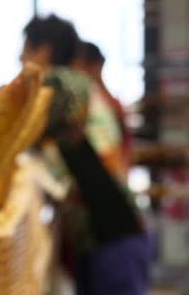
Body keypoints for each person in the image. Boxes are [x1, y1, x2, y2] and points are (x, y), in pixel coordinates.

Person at [22, 15, 149, 295]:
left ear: (43, 50)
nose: (20, 57)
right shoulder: (79, 84)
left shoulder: (61, 83)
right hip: (109, 231)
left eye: (26, 49)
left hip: (111, 231)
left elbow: (25, 137)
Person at [75, 41, 132, 179]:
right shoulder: (109, 102)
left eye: (78, 66)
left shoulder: (99, 104)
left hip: (106, 176)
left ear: (95, 65)